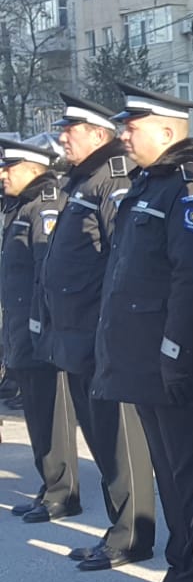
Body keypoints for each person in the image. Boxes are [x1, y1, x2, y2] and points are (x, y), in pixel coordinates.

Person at [94, 86, 193, 582]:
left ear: (168, 131)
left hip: (176, 359)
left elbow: (192, 281)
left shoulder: (190, 188)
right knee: (170, 474)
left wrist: (178, 353)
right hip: (145, 358)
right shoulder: (149, 184)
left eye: (133, 126)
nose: (123, 135)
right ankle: (180, 572)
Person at [38, 93, 157, 569]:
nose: (63, 138)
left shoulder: (112, 178)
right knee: (101, 439)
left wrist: (114, 332)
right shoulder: (83, 180)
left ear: (98, 135)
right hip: (77, 334)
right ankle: (118, 528)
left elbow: (120, 260)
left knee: (120, 440)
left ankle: (132, 536)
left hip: (101, 334)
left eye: (71, 130)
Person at [0, 140, 79, 524]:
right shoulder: (20, 206)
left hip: (40, 329)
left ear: (33, 168)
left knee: (52, 415)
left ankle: (63, 492)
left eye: (9, 167)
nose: (3, 174)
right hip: (19, 327)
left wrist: (41, 326)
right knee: (35, 412)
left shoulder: (45, 205)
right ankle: (49, 485)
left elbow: (46, 271)